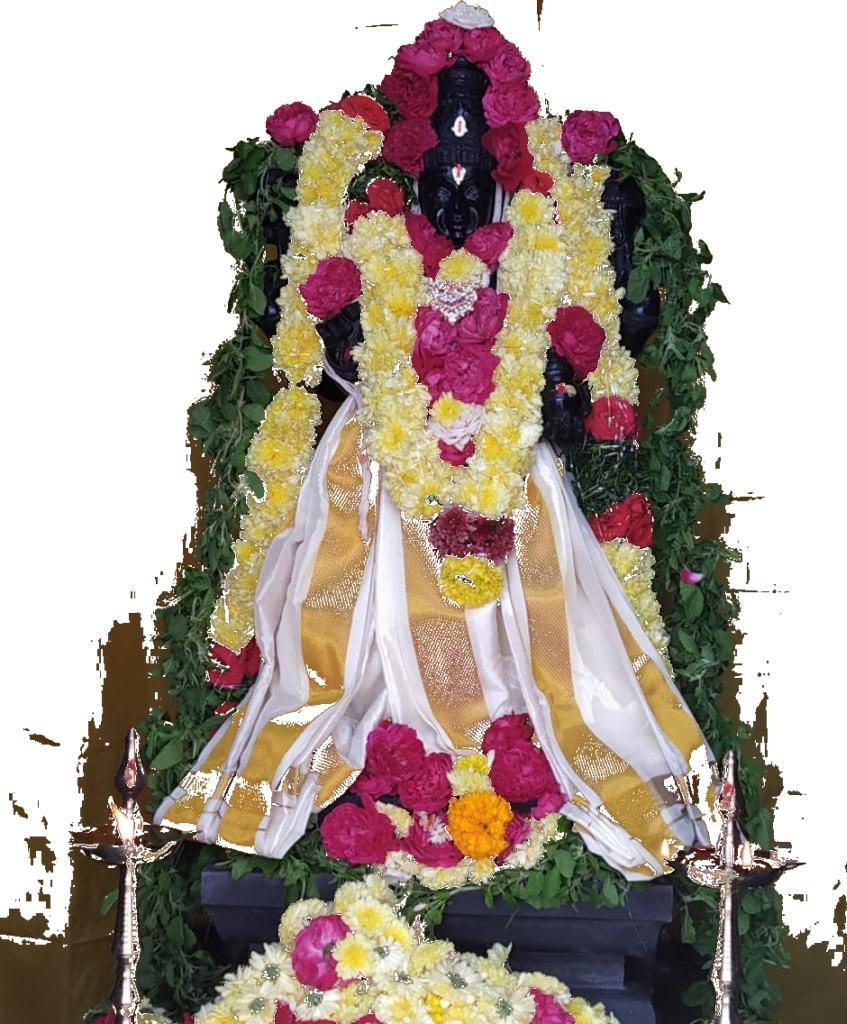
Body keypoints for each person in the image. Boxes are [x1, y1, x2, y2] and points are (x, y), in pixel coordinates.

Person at [157, 3, 716, 881]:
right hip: (384, 464)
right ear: (412, 178)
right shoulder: (373, 237)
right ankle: (380, 768)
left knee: (550, 632)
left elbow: (583, 352)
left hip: (510, 473)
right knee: (345, 633)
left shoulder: (536, 236)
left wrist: (545, 384)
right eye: (440, 180)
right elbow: (318, 336)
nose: (455, 196)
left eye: (471, 178)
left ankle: (525, 768)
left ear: (499, 178)